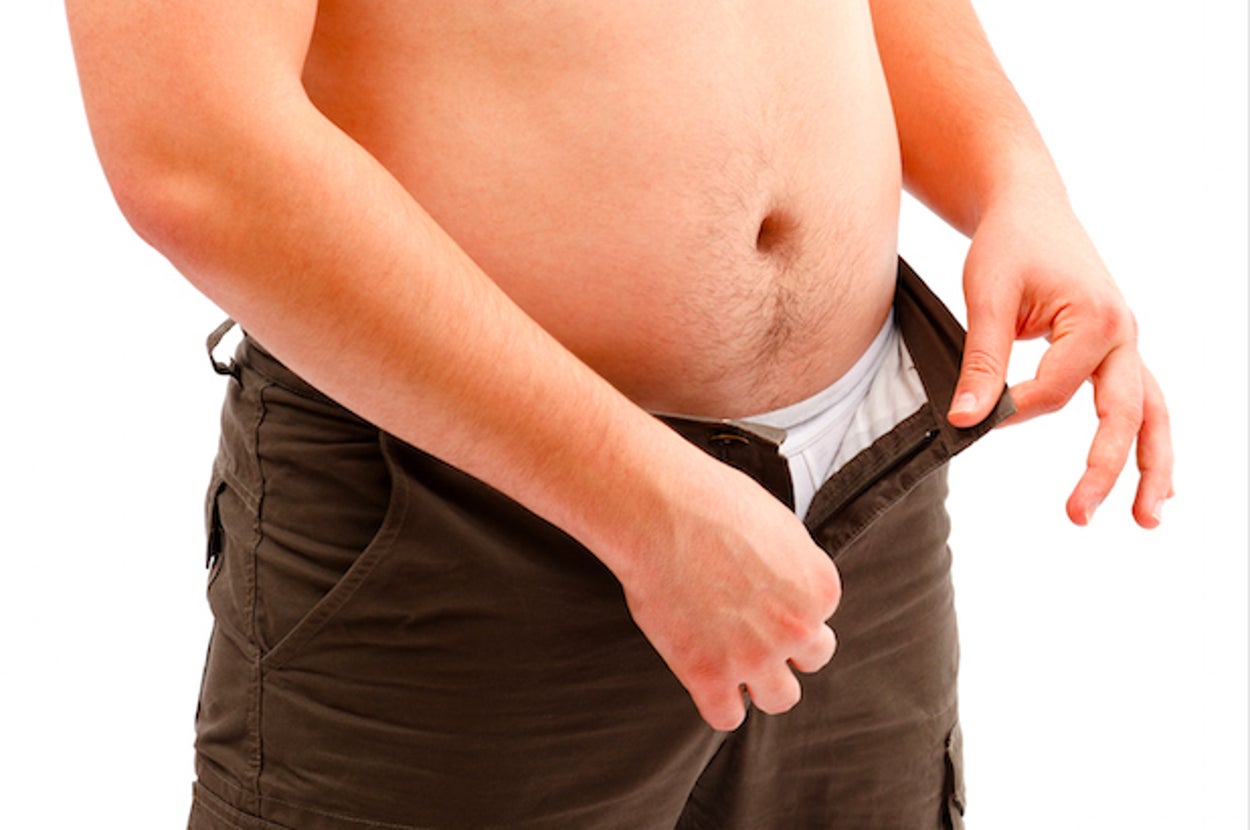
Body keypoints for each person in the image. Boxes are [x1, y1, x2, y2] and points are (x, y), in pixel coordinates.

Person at [66, 1, 1173, 827]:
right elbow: (190, 146)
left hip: (859, 503)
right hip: (460, 530)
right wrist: (642, 507)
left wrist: (1012, 175)